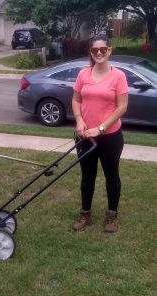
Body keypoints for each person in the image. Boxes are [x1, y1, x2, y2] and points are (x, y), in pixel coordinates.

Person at [71, 35, 129, 232]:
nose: (99, 52)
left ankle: (111, 216)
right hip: (85, 135)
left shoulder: (118, 76)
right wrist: (79, 119)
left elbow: (122, 107)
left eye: (103, 49)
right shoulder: (83, 74)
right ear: (91, 52)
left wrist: (101, 128)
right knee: (87, 176)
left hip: (110, 137)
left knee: (111, 176)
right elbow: (76, 99)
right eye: (95, 49)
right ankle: (85, 214)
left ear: (109, 51)